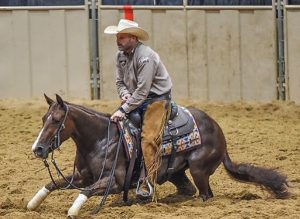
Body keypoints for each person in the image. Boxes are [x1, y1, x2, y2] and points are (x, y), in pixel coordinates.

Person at [104, 19, 172, 197]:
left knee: (149, 138)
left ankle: (147, 182)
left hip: (156, 100)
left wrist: (123, 109)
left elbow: (143, 90)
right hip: (135, 99)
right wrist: (124, 94)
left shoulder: (145, 56)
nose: (118, 40)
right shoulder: (120, 56)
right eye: (117, 37)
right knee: (119, 132)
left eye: (122, 37)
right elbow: (119, 82)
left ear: (133, 38)